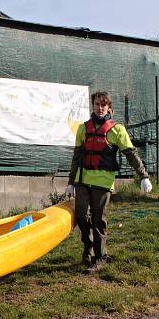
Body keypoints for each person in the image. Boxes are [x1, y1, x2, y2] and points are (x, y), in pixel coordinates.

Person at [65, 91, 152, 272]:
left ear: (109, 107)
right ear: (93, 106)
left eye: (103, 105)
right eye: (97, 104)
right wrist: (70, 182)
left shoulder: (117, 130)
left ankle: (100, 256)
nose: (100, 108)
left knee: (98, 219)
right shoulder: (83, 129)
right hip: (83, 180)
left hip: (103, 182)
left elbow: (131, 154)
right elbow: (76, 157)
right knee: (81, 216)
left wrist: (143, 175)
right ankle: (88, 246)